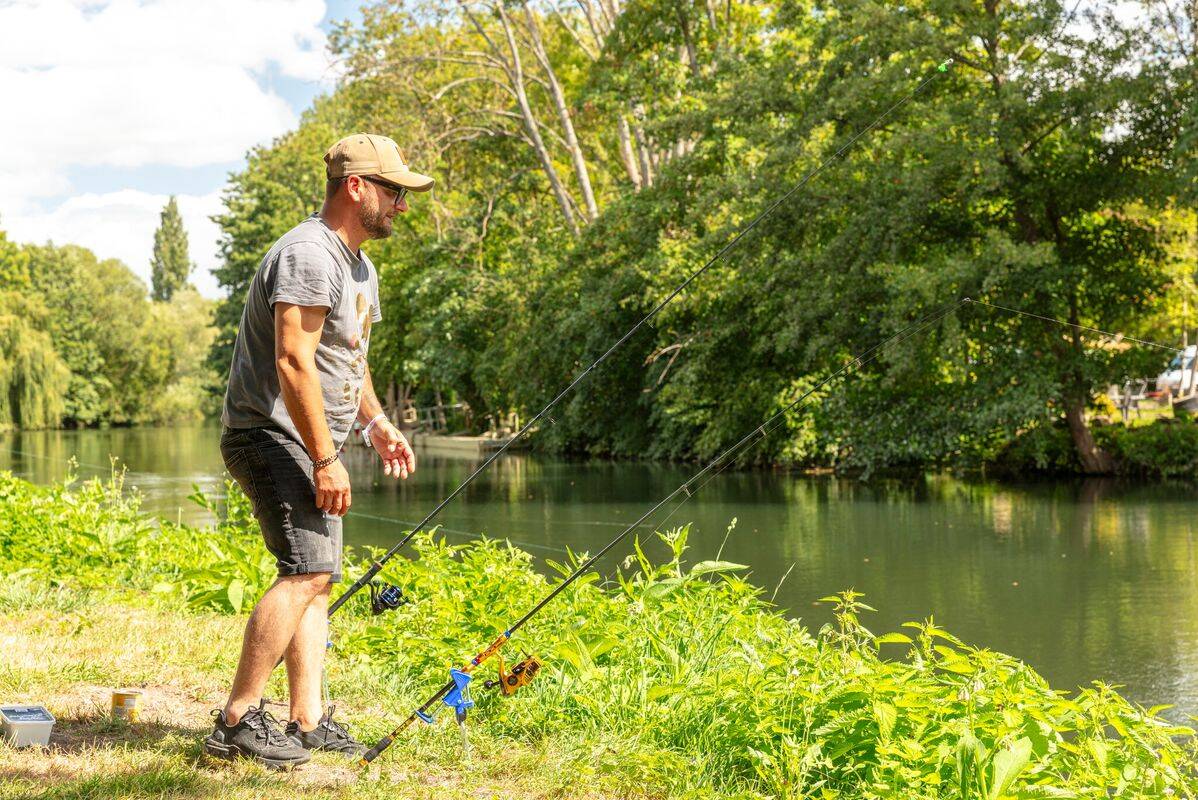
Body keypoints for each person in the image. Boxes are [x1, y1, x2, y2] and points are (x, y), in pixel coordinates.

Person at [203, 134, 432, 768]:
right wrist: (327, 459)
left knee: (319, 579)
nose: (401, 206)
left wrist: (377, 423)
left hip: (310, 440)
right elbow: (293, 359)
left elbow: (345, 361)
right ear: (356, 187)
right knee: (304, 570)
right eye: (393, 192)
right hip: (269, 433)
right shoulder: (309, 254)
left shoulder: (360, 267)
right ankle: (237, 719)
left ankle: (306, 720)